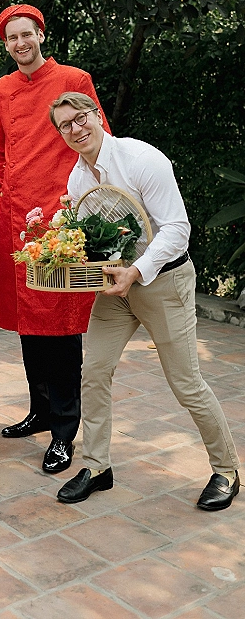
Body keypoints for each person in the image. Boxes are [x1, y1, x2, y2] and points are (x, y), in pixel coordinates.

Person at [51, 92, 240, 511]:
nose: (76, 129)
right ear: (60, 134)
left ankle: (226, 470)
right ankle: (98, 466)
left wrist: (137, 271)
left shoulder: (142, 159)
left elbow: (177, 228)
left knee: (186, 383)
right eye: (65, 125)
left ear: (96, 116)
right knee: (94, 372)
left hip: (164, 282)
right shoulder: (78, 179)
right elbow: (97, 240)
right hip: (114, 289)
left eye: (80, 118)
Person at [0, 4, 108, 475]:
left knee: (59, 324)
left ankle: (64, 428)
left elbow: (99, 138)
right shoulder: (1, 89)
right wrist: (9, 186)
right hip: (18, 215)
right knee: (27, 319)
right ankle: (40, 411)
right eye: (12, 38)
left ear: (41, 34)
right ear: (6, 44)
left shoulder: (74, 79)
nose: (20, 44)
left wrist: (78, 204)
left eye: (27, 35)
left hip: (61, 215)